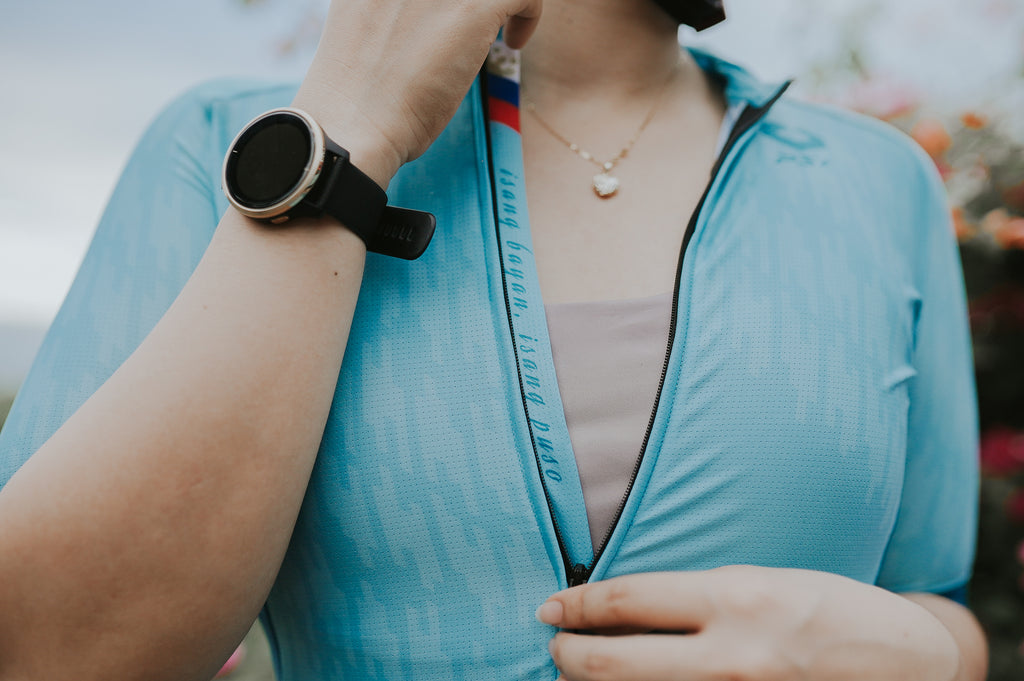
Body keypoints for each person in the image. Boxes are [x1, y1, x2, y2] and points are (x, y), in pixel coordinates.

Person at [0, 0, 988, 679]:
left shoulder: (876, 180)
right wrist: (351, 130)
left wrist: (938, 656)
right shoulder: (221, 147)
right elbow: (45, 652)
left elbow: (932, 599)